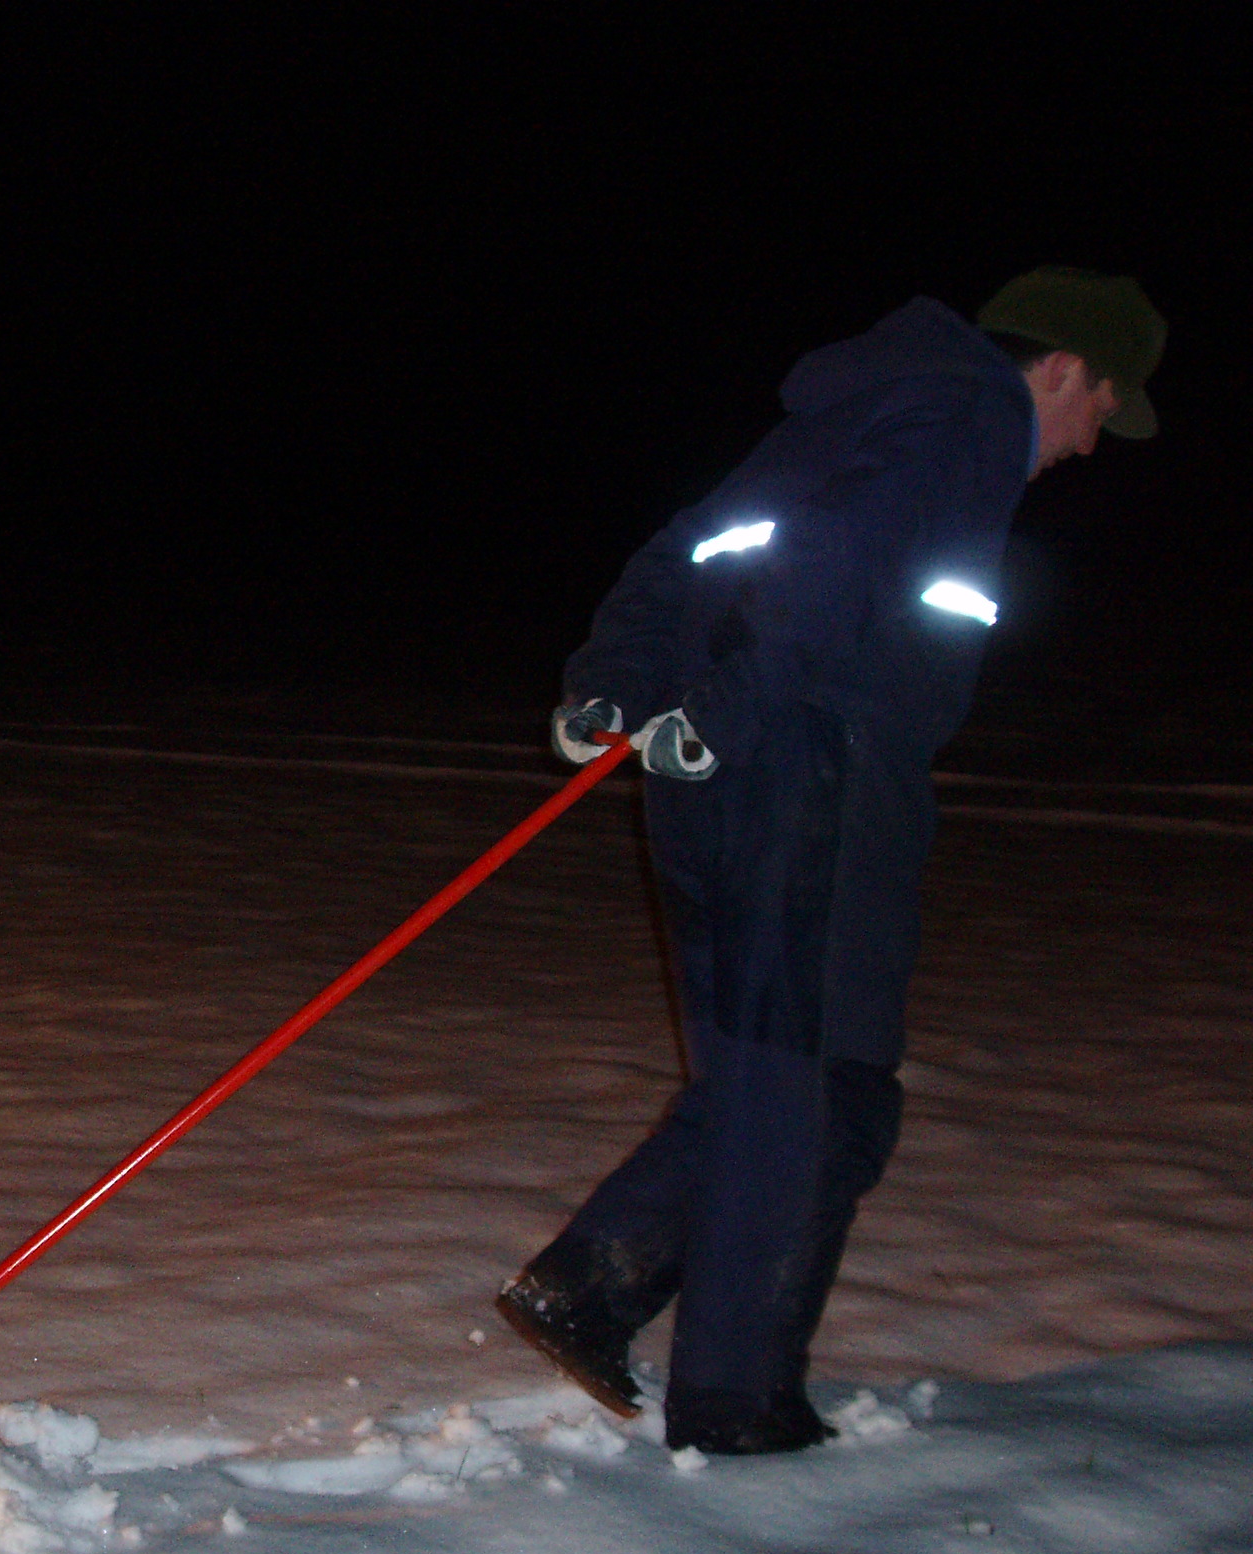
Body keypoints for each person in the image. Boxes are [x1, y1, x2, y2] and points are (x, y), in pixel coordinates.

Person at [497, 267, 1165, 1455]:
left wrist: (617, 683)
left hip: (741, 777)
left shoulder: (862, 411)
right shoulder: (965, 413)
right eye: (1101, 408)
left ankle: (595, 1285)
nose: (1090, 443)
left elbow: (689, 549)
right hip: (810, 778)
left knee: (825, 1091)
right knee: (797, 1096)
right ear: (1061, 366)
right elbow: (833, 568)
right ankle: (737, 1403)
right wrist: (733, 709)